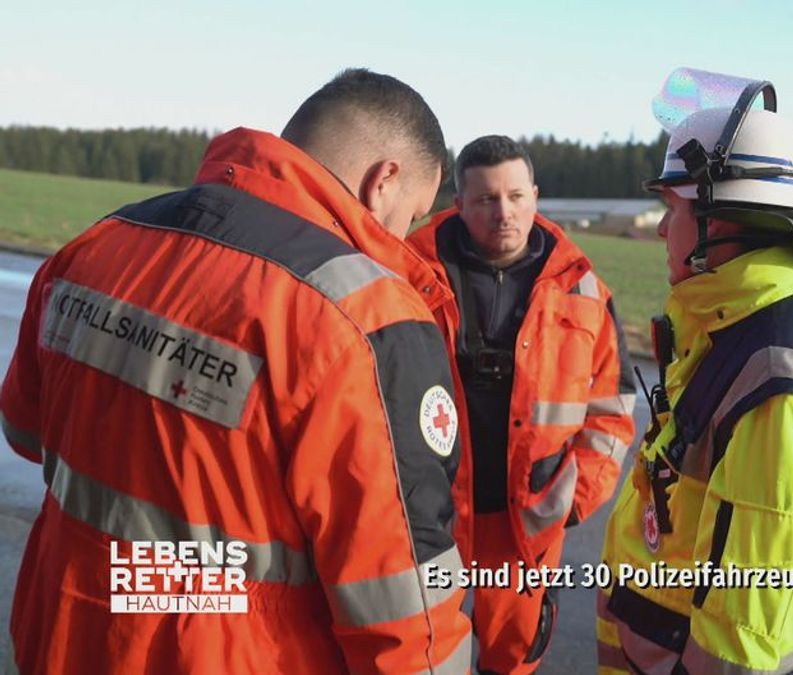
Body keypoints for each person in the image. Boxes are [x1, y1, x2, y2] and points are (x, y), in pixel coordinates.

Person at [0, 68, 472, 674]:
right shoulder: (361, 317)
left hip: (61, 635)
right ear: (384, 183)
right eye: (411, 218)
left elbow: (24, 431)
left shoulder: (101, 241)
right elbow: (406, 615)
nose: (404, 240)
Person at [597, 68, 793, 674]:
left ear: (719, 221)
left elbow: (747, 621)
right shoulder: (730, 328)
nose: (663, 229)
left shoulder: (777, 376)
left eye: (672, 209)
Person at [408, 135, 637, 674]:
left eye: (515, 196)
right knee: (414, 649)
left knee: (513, 655)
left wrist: (575, 500)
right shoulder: (408, 275)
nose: (503, 213)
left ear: (536, 195)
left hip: (526, 522)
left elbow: (612, 405)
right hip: (426, 513)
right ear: (458, 203)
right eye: (485, 199)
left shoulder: (581, 289)